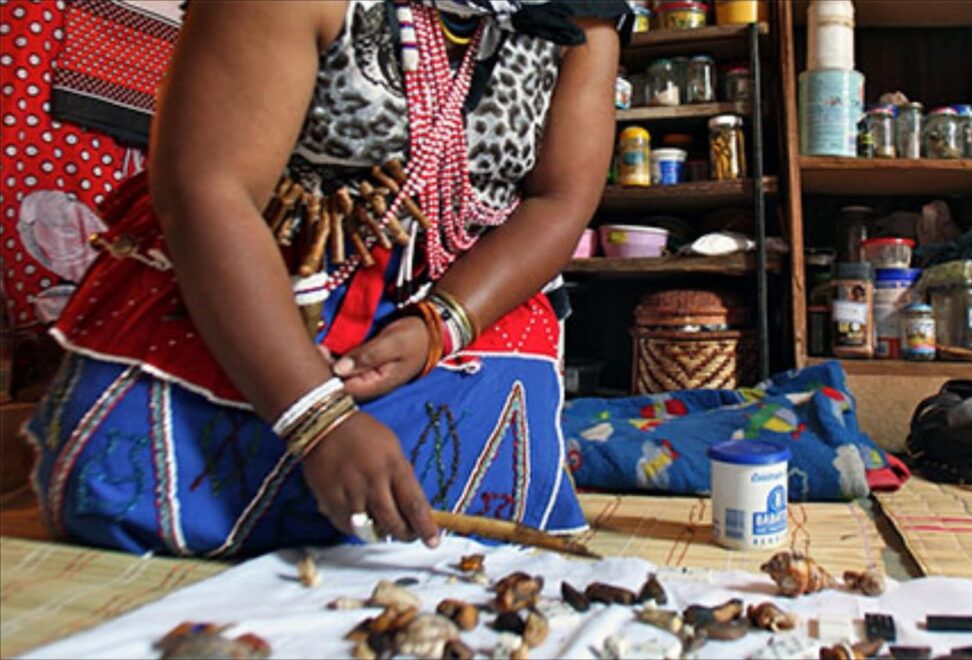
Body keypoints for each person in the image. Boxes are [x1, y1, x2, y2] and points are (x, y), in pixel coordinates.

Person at [25, 0, 628, 557]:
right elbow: (208, 191)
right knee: (123, 486)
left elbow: (559, 200)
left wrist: (439, 326)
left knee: (460, 492)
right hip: (250, 289)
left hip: (457, 305)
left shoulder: (578, 15)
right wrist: (316, 419)